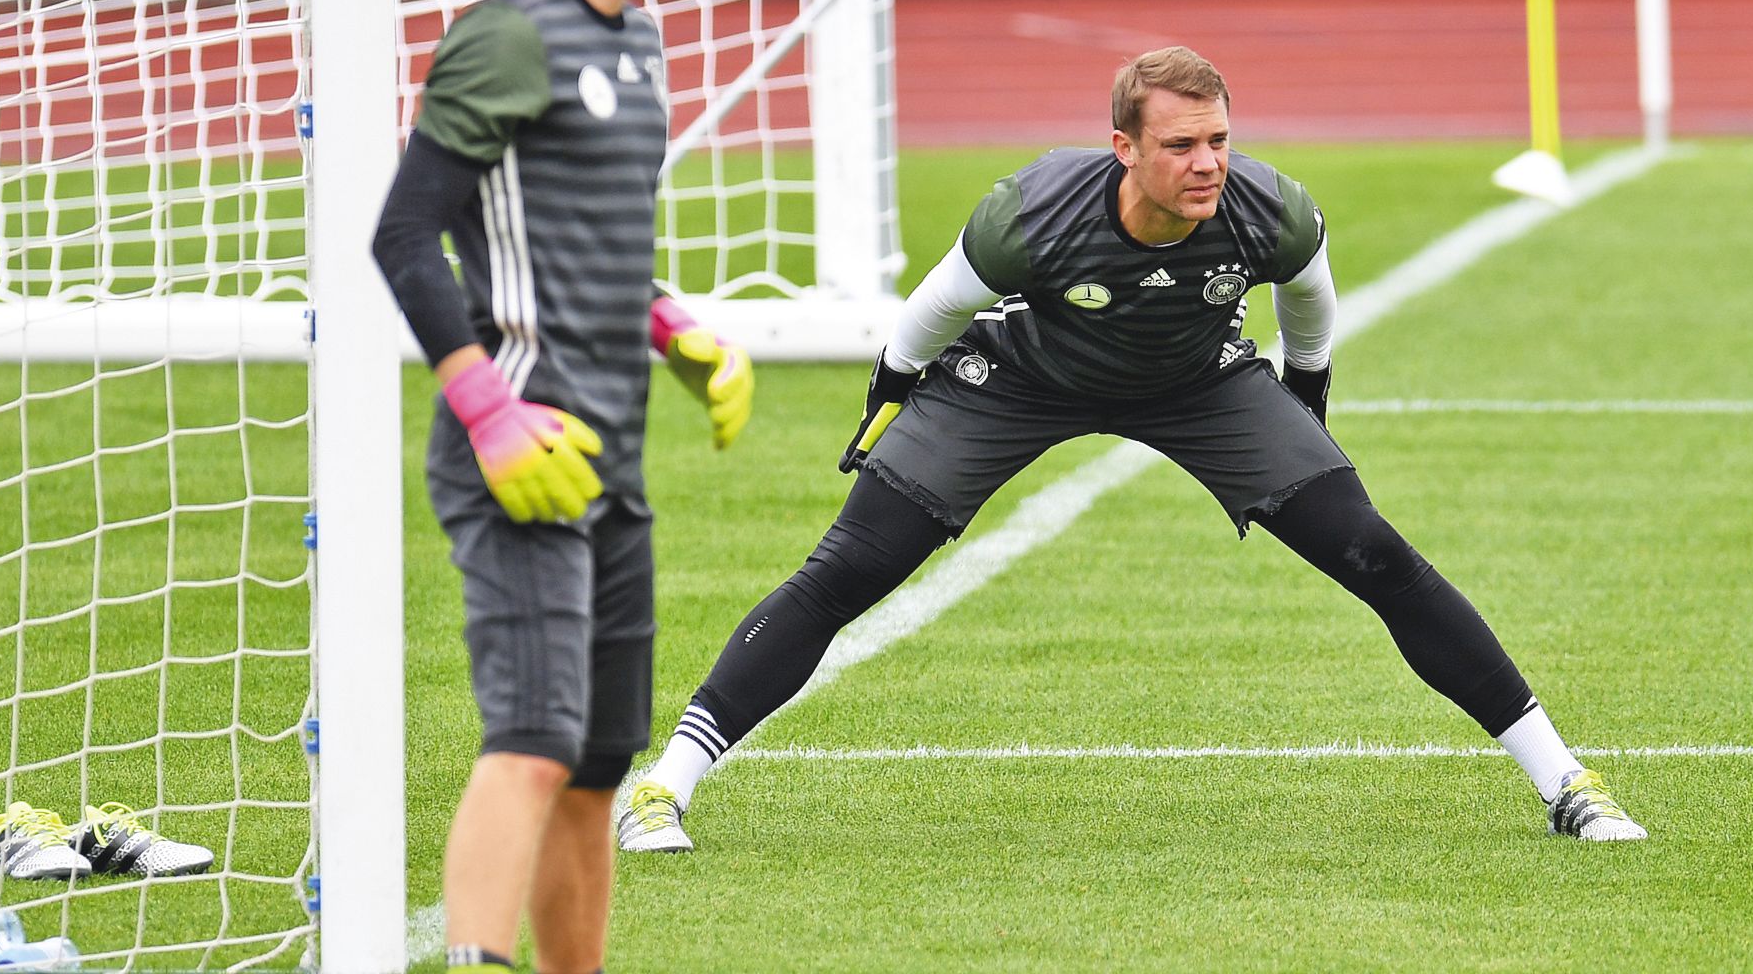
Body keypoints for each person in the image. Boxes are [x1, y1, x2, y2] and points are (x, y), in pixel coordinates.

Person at [616, 45, 1645, 855]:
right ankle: (665, 785)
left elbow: (1310, 302)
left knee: (1374, 551)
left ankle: (1566, 782)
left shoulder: (1266, 208)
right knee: (850, 566)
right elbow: (925, 319)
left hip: (1201, 382)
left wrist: (1307, 408)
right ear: (1122, 147)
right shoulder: (1029, 217)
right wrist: (890, 406)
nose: (1206, 164)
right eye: (1181, 145)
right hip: (1018, 381)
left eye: (1219, 140)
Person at [371, 0, 754, 974]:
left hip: (612, 451)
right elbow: (405, 232)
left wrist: (669, 328)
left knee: (594, 766)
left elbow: (579, 240)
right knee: (532, 741)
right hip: (518, 450)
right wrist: (483, 405)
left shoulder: (638, 38)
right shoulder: (506, 34)